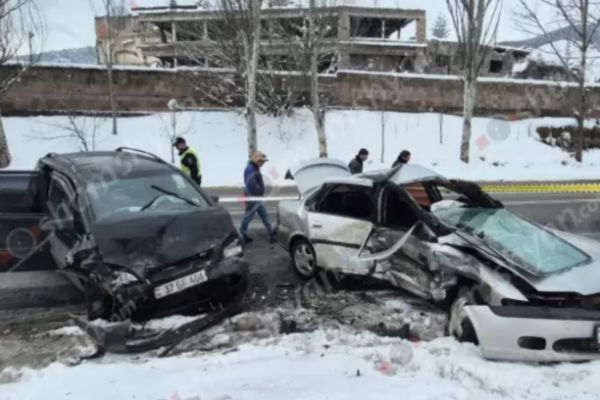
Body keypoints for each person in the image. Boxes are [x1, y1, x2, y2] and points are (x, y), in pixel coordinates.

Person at [240, 151, 276, 244]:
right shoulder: (250, 169)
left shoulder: (254, 168)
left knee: (264, 215)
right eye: (262, 162)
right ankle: (242, 235)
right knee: (248, 217)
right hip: (253, 197)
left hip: (257, 197)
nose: (263, 164)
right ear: (257, 160)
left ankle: (271, 233)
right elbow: (251, 184)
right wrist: (259, 191)